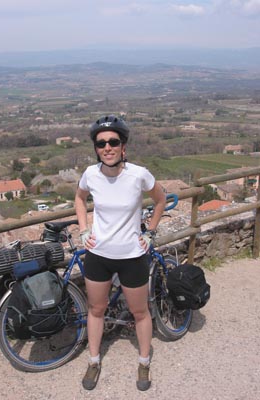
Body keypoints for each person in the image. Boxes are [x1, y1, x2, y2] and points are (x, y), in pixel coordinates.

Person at [74, 115, 166, 391]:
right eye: (101, 143)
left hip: (132, 256)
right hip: (98, 255)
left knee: (140, 312)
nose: (107, 147)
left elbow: (160, 200)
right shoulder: (91, 174)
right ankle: (93, 361)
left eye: (114, 141)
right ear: (96, 148)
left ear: (124, 146)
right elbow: (79, 199)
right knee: (96, 309)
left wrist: (149, 232)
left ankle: (144, 361)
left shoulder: (138, 174)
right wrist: (83, 231)